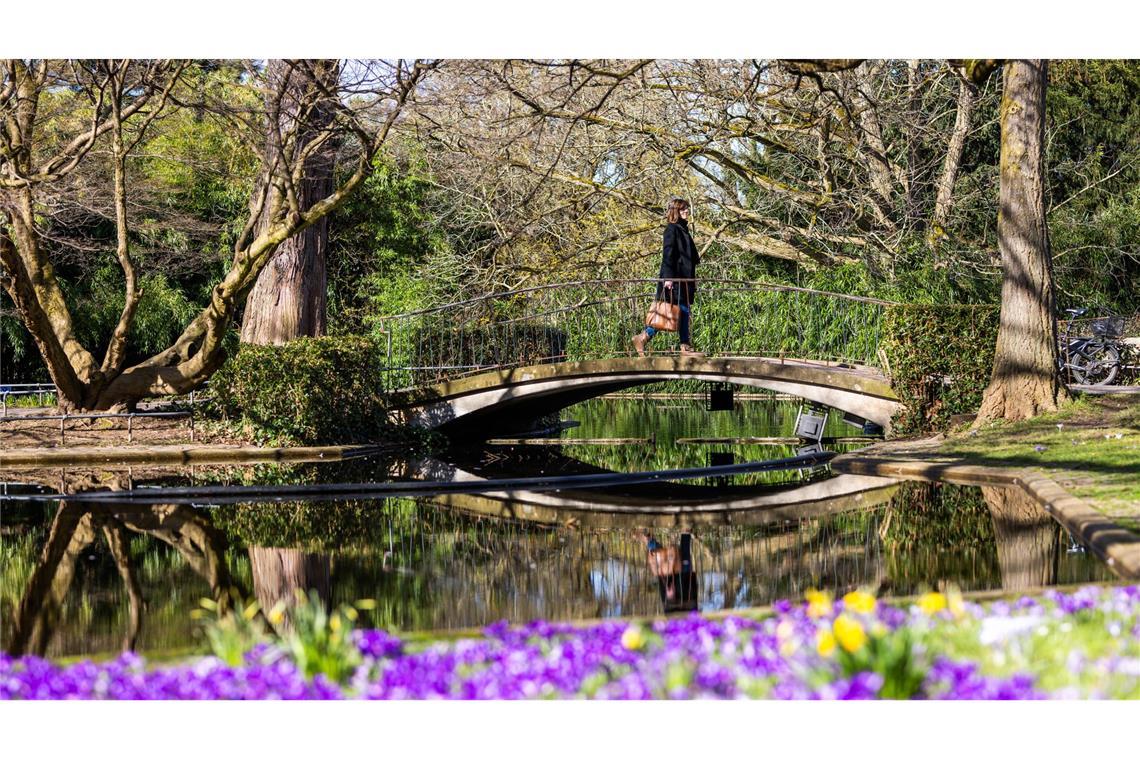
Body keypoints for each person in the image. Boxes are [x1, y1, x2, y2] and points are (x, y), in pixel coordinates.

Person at [632, 197, 702, 357]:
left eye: (687, 208)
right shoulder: (672, 229)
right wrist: (668, 278)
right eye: (683, 209)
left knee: (677, 311)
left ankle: (642, 338)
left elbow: (689, 258)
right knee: (679, 310)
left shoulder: (683, 229)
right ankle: (685, 346)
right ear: (675, 211)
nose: (687, 211)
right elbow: (668, 255)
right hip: (675, 280)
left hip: (684, 281)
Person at [641, 532, 699, 613]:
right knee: (682, 554)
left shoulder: (673, 622)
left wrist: (671, 599)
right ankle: (686, 530)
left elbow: (668, 609)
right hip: (685, 586)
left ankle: (650, 542)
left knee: (665, 558)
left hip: (679, 586)